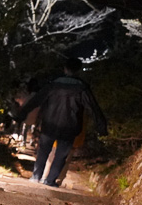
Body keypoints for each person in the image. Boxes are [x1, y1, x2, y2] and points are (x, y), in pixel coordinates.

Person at [14, 57, 107, 186]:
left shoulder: (53, 84)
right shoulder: (82, 88)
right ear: (78, 70)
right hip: (70, 126)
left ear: (65, 68)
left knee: (43, 151)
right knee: (61, 155)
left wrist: (21, 115)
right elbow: (93, 108)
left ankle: (36, 176)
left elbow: (36, 101)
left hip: (50, 123)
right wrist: (102, 127)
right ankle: (50, 180)